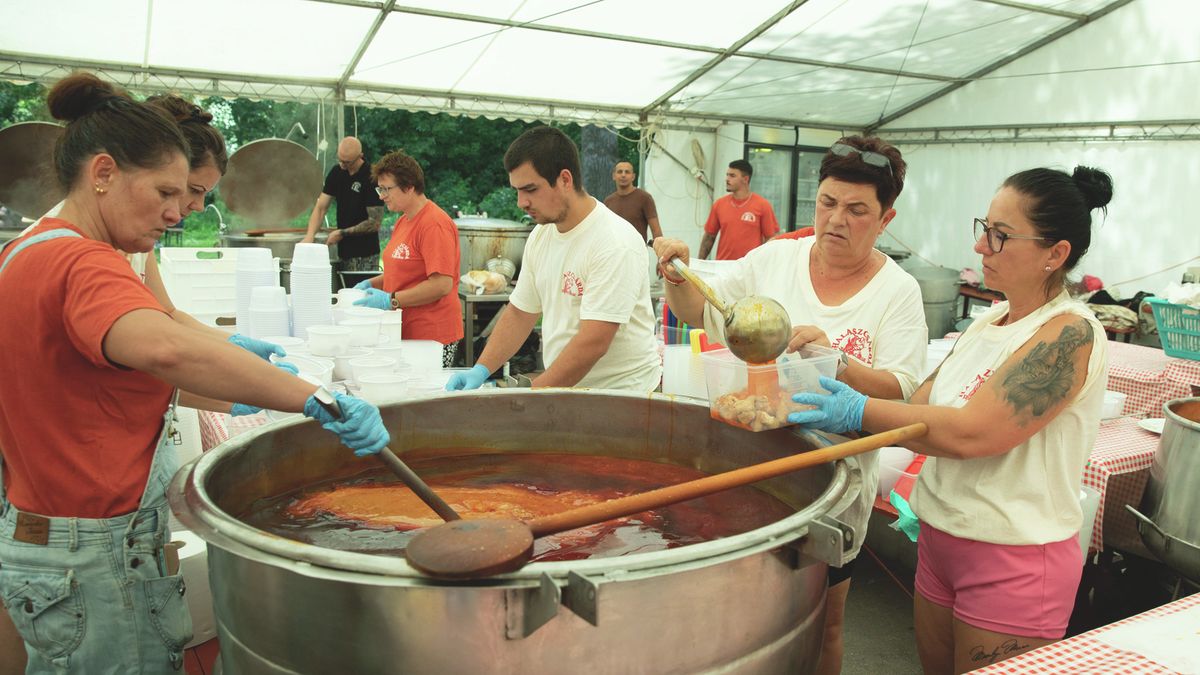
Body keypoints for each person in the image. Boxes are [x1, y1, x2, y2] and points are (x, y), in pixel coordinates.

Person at [0, 73, 388, 674]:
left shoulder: (32, 249)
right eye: (165, 193)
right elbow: (166, 348)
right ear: (103, 173)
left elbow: (120, 371)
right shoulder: (82, 261)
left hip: (59, 533)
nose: (178, 213)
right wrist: (315, 398)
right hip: (92, 548)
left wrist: (234, 379)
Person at [789, 166, 1113, 673]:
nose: (982, 248)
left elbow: (971, 433)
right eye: (984, 228)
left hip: (1012, 556)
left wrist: (856, 409)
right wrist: (835, 364)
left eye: (1001, 237)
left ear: (1056, 253)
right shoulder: (989, 320)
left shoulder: (1070, 334)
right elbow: (922, 404)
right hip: (942, 539)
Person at [654, 135, 926, 675]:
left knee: (822, 620)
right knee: (732, 621)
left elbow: (900, 388)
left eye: (857, 210)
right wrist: (676, 274)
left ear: (885, 217)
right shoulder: (775, 259)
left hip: (833, 484)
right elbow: (703, 313)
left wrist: (835, 360)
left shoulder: (898, 290)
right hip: (747, 469)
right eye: (828, 203)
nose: (836, 220)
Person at [446, 126, 661, 392]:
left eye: (530, 189)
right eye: (517, 191)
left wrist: (531, 399)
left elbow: (594, 342)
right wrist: (480, 369)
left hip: (621, 396)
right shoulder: (541, 235)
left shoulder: (614, 241)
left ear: (565, 180)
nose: (521, 202)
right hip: (568, 391)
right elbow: (520, 313)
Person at [352, 150, 463, 366]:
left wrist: (390, 300)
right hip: (406, 331)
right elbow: (401, 273)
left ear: (409, 186)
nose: (381, 196)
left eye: (386, 189)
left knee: (425, 398)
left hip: (432, 337)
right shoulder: (404, 221)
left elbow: (441, 285)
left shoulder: (434, 224)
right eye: (380, 188)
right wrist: (367, 285)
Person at [302, 136, 385, 273]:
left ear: (360, 156)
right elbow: (321, 207)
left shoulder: (372, 177)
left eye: (347, 162)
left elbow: (374, 223)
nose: (342, 164)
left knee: (361, 292)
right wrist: (310, 235)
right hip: (343, 252)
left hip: (365, 253)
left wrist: (342, 233)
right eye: (339, 159)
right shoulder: (337, 172)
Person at [697, 159, 780, 260]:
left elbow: (771, 239)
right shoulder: (719, 204)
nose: (727, 179)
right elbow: (709, 237)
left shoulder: (762, 205)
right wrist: (699, 262)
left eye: (732, 176)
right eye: (727, 175)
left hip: (749, 268)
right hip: (723, 267)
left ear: (745, 179)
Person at [603, 161, 662, 244]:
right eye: (620, 172)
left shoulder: (645, 198)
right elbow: (604, 230)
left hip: (637, 253)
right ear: (614, 176)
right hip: (614, 253)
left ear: (633, 177)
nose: (623, 175)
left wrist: (661, 254)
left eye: (627, 172)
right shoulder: (608, 201)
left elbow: (656, 230)